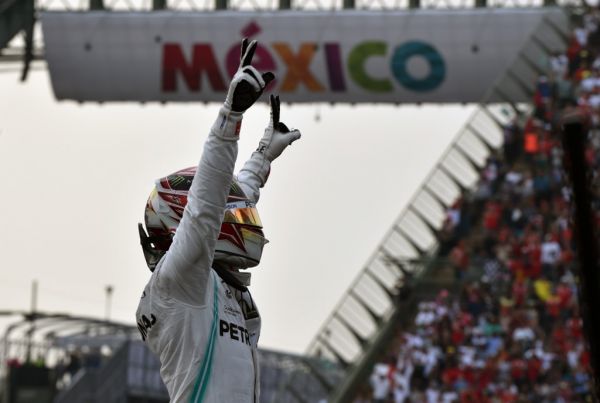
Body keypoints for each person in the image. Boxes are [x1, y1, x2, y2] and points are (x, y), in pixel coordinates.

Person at [135, 39, 301, 403]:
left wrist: (262, 156)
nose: (244, 220)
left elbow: (232, 197)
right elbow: (207, 208)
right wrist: (230, 118)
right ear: (179, 220)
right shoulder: (180, 281)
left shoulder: (204, 281)